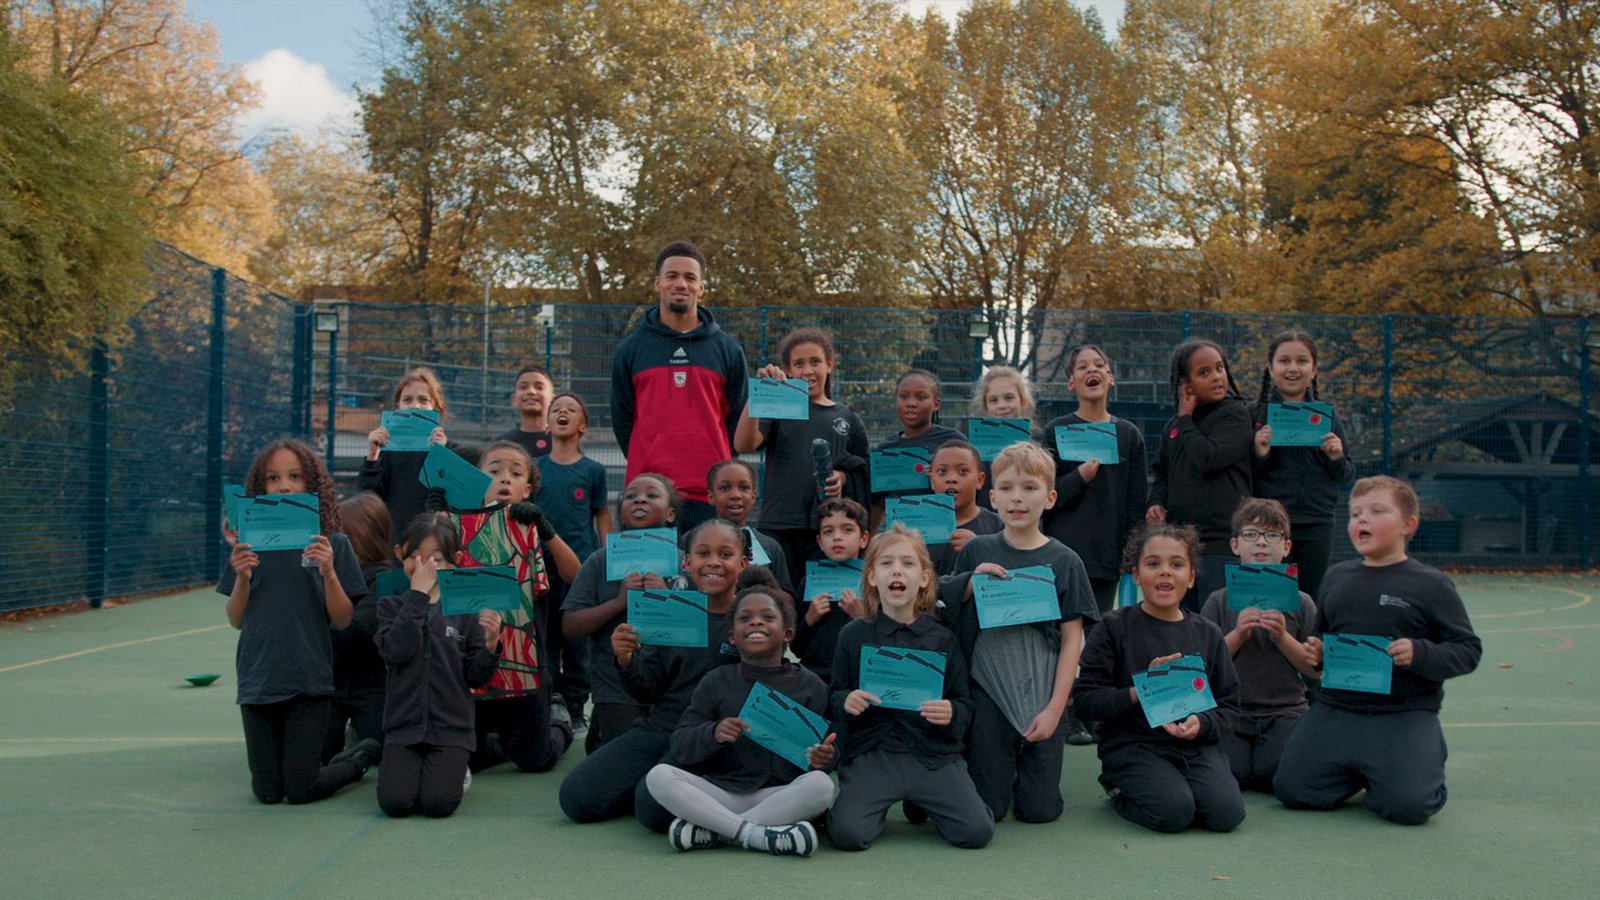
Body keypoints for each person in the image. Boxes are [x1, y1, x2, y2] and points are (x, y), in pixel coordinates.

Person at [1274, 476, 1482, 825]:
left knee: (1408, 807)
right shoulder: (1337, 577)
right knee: (1293, 790)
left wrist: (1420, 653)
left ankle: (1421, 754)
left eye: (1376, 511)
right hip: (1337, 710)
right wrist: (1317, 652)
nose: (1362, 520)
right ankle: (1364, 769)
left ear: (1408, 525)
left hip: (1403, 713)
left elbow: (1468, 650)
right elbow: (1321, 638)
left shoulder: (1430, 584)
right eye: (1356, 514)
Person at [938, 443, 1097, 822]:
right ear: (992, 497)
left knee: (1038, 811)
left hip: (1042, 691)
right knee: (990, 808)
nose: (1017, 498)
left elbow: (1072, 640)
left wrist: (1056, 709)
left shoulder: (1065, 561)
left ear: (1050, 498)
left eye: (1029, 488)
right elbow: (944, 606)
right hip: (987, 690)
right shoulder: (977, 552)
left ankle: (1028, 772)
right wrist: (971, 581)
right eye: (1007, 488)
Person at [559, 519, 747, 825]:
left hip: (715, 737)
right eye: (703, 554)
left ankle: (698, 797)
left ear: (742, 564)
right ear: (687, 563)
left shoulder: (750, 616)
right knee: (577, 798)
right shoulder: (670, 611)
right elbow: (647, 688)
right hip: (663, 728)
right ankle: (663, 789)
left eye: (725, 554)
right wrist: (625, 660)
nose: (713, 562)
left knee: (654, 810)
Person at [221, 439, 377, 804]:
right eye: (273, 478)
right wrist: (242, 578)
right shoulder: (248, 545)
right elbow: (236, 620)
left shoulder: (332, 543)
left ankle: (357, 760)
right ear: (260, 487)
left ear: (312, 484)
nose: (284, 486)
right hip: (258, 679)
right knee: (267, 792)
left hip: (309, 680)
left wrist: (329, 573)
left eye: (294, 477)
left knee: (301, 788)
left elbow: (343, 619)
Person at [826, 526, 995, 851]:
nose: (897, 571)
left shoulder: (942, 638)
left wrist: (951, 712)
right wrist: (847, 700)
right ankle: (882, 803)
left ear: (925, 578)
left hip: (932, 755)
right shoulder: (854, 634)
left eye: (907, 563)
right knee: (847, 835)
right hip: (874, 755)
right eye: (886, 563)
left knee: (977, 832)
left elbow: (964, 703)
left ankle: (920, 800)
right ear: (872, 577)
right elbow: (834, 694)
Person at [1072, 522, 1245, 834]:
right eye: (1153, 564)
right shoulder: (1113, 628)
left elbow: (1230, 707)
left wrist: (1202, 724)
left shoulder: (1209, 633)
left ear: (1191, 577)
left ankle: (1179, 786)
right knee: (1174, 813)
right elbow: (1085, 701)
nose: (1165, 572)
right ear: (1136, 575)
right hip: (1133, 744)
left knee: (1226, 814)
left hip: (1196, 746)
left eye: (1176, 564)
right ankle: (1119, 788)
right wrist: (1139, 690)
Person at [644, 584, 836, 856]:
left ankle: (718, 830)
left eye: (768, 617)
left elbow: (827, 754)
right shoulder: (715, 681)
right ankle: (755, 834)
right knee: (659, 776)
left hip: (779, 795)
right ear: (732, 637)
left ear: (787, 633)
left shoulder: (812, 686)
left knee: (821, 785)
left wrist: (824, 758)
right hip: (721, 793)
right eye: (745, 618)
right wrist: (713, 733)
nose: (756, 622)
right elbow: (682, 744)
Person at [448, 441, 580, 775]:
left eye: (516, 473)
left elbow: (574, 574)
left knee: (537, 761)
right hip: (475, 661)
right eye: (494, 471)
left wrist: (546, 530)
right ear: (478, 480)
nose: (505, 478)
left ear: (528, 489)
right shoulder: (458, 527)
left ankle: (559, 720)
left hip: (525, 662)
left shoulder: (531, 528)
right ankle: (499, 743)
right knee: (468, 759)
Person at [611, 240, 749, 530]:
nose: (681, 284)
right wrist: (648, 456)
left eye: (690, 277)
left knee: (709, 561)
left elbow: (738, 419)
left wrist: (717, 462)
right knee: (648, 565)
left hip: (710, 494)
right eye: (672, 276)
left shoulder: (728, 349)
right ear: (658, 283)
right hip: (648, 494)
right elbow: (622, 419)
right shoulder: (630, 349)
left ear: (701, 287)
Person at [374, 514, 499, 818]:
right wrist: (418, 595)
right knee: (395, 803)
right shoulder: (391, 606)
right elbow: (396, 650)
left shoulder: (465, 611)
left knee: (438, 803)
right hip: (403, 728)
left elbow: (475, 676)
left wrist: (491, 644)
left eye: (437, 559)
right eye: (416, 557)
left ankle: (460, 768)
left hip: (450, 730)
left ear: (456, 560)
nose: (426, 566)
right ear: (400, 555)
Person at [1197, 499, 1319, 792]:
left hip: (1286, 712)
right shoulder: (1218, 600)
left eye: (1272, 535)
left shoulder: (1302, 602)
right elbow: (1202, 667)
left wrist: (1282, 637)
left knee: (1272, 774)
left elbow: (1315, 670)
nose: (1261, 542)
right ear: (1235, 545)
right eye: (1251, 534)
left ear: (1286, 547)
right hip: (1231, 712)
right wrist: (1238, 634)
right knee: (1234, 772)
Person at [733, 327, 870, 587]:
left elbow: (863, 470)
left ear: (829, 365)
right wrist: (758, 395)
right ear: (788, 370)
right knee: (778, 597)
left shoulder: (847, 417)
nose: (808, 370)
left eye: (815, 361)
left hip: (827, 529)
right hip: (779, 524)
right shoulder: (778, 408)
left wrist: (843, 477)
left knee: (821, 603)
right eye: (799, 364)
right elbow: (743, 444)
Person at [562, 473, 680, 751]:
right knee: (630, 753)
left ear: (670, 513)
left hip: (673, 686)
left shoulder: (688, 560)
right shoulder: (599, 560)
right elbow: (570, 625)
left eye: (652, 495)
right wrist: (618, 602)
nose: (640, 499)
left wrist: (667, 599)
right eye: (631, 496)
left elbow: (703, 627)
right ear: (621, 511)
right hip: (615, 686)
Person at [1249, 331, 1356, 599]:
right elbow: (1242, 475)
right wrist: (1259, 454)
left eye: (1302, 361)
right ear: (1270, 368)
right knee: (1271, 602)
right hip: (1269, 525)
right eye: (1284, 361)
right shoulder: (1255, 414)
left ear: (1314, 369)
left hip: (1317, 523)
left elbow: (1346, 475)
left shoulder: (1327, 416)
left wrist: (1335, 457)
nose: (1293, 368)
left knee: (1310, 601)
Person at [1147, 339, 1253, 611]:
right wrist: (1155, 503)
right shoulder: (1174, 427)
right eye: (1204, 372)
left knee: (1216, 621)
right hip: (1181, 544)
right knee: (1184, 621)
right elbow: (1162, 474)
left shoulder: (1235, 415)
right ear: (1186, 384)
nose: (1216, 377)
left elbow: (1208, 457)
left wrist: (1185, 420)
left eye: (1219, 368)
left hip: (1221, 543)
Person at [1042, 345, 1149, 614]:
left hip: (1106, 560)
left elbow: (1136, 504)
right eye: (1083, 366)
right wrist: (1080, 477)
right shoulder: (1055, 431)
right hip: (1062, 556)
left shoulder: (1128, 434)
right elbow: (1046, 497)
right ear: (1071, 382)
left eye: (1099, 365)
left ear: (1110, 378)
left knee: (1097, 633)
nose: (1092, 369)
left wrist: (1131, 555)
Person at [535, 391, 611, 739]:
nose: (562, 413)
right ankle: (552, 703)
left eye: (570, 410)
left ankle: (578, 706)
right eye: (556, 409)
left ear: (583, 426)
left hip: (581, 569)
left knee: (579, 644)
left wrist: (609, 556)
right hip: (541, 569)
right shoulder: (535, 468)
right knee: (546, 638)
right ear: (547, 423)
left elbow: (602, 515)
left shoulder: (594, 471)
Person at [325, 491, 393, 763]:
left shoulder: (382, 577)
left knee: (382, 748)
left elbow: (358, 628)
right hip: (331, 684)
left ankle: (356, 744)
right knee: (320, 751)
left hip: (370, 684)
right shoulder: (331, 574)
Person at [359, 367, 459, 538]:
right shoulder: (387, 452)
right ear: (398, 407)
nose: (415, 405)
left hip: (436, 542)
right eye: (407, 400)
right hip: (396, 540)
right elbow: (369, 498)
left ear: (436, 406)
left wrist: (441, 455)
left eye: (423, 400)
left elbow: (458, 499)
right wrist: (373, 455)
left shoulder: (452, 451)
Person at [791, 498, 872, 686]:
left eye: (847, 530)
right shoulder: (809, 582)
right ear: (820, 542)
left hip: (857, 680)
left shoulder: (874, 583)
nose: (837, 537)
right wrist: (809, 619)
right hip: (815, 679)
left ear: (863, 539)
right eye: (828, 531)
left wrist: (862, 617)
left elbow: (884, 646)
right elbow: (796, 648)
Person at [871, 369, 964, 531]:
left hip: (944, 533)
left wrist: (941, 474)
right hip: (901, 536)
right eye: (904, 396)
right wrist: (869, 541)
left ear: (936, 404)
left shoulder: (953, 441)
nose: (911, 403)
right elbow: (878, 504)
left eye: (921, 397)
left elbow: (969, 488)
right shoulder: (885, 451)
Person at [699, 458, 793, 595]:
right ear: (711, 496)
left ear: (753, 496)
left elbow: (787, 598)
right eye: (725, 488)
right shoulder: (693, 540)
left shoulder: (770, 546)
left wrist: (766, 587)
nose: (735, 495)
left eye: (744, 488)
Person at [925, 440, 1001, 577]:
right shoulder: (915, 530)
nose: (951, 479)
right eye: (942, 471)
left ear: (980, 480)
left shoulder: (999, 526)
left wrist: (978, 548)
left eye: (963, 471)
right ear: (931, 480)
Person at [968, 366, 1038, 512]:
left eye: (1009, 398)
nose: (1002, 406)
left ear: (1023, 401)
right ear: (986, 407)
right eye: (993, 400)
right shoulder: (973, 449)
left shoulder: (1038, 443)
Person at [496, 364, 557, 461]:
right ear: (514, 399)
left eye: (539, 387)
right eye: (523, 387)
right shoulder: (503, 445)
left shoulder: (565, 442)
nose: (531, 391)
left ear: (553, 400)